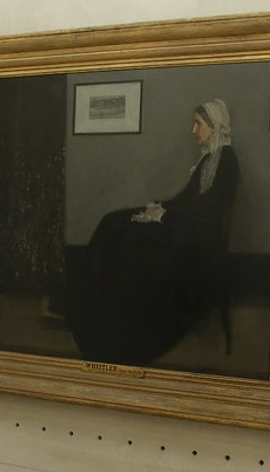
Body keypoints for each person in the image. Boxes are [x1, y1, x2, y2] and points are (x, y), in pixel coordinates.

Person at [67, 98, 239, 366]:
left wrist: (164, 214)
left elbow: (207, 213)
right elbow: (190, 200)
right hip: (186, 228)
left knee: (131, 238)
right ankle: (95, 303)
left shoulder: (226, 161)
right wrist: (160, 207)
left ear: (215, 127)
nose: (194, 131)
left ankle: (119, 313)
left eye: (198, 124)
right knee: (114, 222)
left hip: (197, 242)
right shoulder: (212, 158)